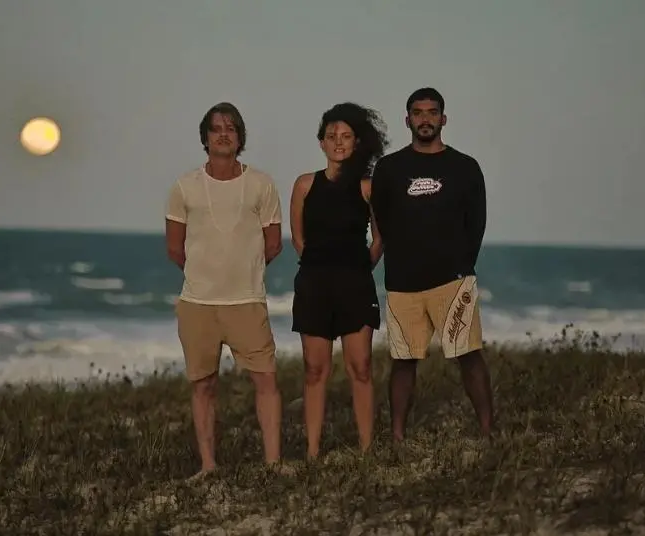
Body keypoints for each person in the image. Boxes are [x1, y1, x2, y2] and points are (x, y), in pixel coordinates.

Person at [164, 102, 283, 477]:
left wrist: (242, 273)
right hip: (198, 304)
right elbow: (174, 248)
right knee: (203, 385)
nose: (223, 134)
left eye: (231, 128)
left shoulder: (261, 184)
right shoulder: (184, 187)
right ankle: (208, 465)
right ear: (205, 137)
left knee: (266, 379)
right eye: (216, 129)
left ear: (240, 136)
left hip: (247, 302)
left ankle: (273, 464)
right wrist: (207, 276)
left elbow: (273, 244)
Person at [369, 87, 494, 442]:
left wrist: (461, 266)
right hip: (403, 282)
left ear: (443, 119)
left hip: (452, 281)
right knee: (403, 361)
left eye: (432, 112)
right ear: (407, 120)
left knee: (469, 355)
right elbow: (379, 222)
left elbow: (477, 223)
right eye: (418, 113)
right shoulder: (389, 169)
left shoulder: (465, 167)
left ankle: (488, 432)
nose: (425, 119)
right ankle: (397, 437)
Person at [289, 102, 389, 458]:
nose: (338, 142)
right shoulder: (304, 184)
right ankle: (312, 452)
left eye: (346, 136)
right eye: (331, 136)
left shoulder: (368, 188)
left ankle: (366, 448)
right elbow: (298, 239)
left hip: (355, 286)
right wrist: (321, 267)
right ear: (321, 143)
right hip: (314, 285)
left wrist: (359, 269)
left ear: (356, 142)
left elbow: (379, 239)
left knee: (360, 367)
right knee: (315, 370)